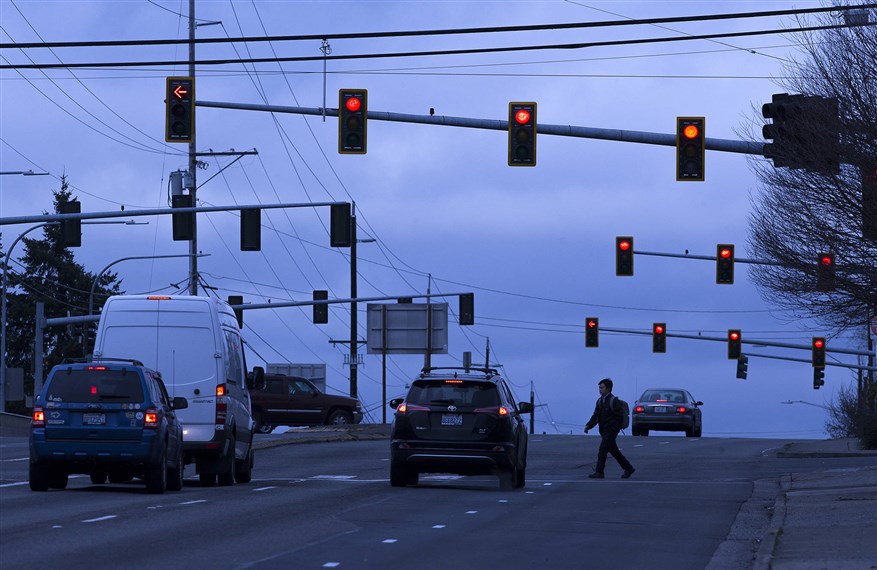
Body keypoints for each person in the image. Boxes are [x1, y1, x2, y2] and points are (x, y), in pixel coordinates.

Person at [584, 378, 635, 479]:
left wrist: (612, 428)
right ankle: (628, 468)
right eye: (599, 388)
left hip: (611, 430)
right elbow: (596, 416)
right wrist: (588, 425)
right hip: (603, 430)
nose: (600, 390)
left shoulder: (613, 401)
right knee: (614, 451)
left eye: (602, 387)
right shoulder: (599, 401)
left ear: (608, 388)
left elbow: (618, 417)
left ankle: (599, 471)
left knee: (602, 449)